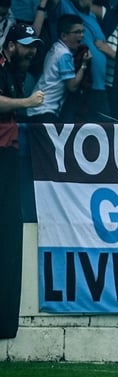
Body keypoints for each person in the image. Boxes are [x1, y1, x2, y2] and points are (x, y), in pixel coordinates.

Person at [0, 23, 45, 339]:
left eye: (34, 45)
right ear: (11, 45)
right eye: (26, 45)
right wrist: (27, 103)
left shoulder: (13, 68)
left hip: (8, 154)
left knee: (8, 235)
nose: (31, 51)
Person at [26, 15, 89, 122]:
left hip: (37, 108)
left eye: (83, 31)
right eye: (77, 32)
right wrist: (84, 64)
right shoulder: (64, 55)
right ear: (64, 35)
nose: (82, 35)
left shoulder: (56, 47)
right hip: (45, 111)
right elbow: (72, 86)